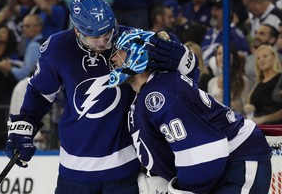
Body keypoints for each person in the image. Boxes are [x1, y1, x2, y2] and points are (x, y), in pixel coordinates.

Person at [4, 0, 197, 194]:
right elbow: (40, 93)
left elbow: (180, 78)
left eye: (108, 34)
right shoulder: (57, 49)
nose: (104, 43)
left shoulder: (131, 41)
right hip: (74, 171)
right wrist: (24, 125)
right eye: (96, 38)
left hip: (126, 170)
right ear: (77, 31)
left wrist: (184, 60)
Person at [108, 29, 272, 193]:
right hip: (221, 167)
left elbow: (206, 150)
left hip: (237, 161)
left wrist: (184, 188)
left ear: (139, 54)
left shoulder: (160, 96)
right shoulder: (149, 93)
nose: (114, 58)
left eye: (121, 52)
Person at [207, 44, 251, 115]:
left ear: (233, 57)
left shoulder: (243, 80)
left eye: (226, 53)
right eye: (219, 54)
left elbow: (245, 110)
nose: (222, 56)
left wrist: (227, 101)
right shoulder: (211, 82)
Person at [244, 44, 282, 125]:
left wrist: (264, 119)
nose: (261, 60)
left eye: (265, 56)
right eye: (258, 58)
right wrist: (250, 108)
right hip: (260, 130)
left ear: (274, 57)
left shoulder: (280, 79)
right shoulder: (258, 83)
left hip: (277, 129)